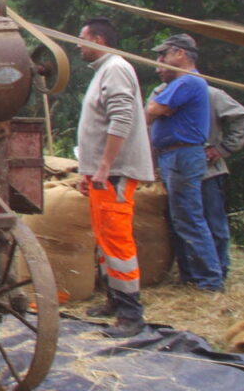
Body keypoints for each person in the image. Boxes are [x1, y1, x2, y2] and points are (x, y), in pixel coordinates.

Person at [74, 17, 155, 338]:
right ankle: (113, 299)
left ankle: (131, 315)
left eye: (82, 39)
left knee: (117, 240)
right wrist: (89, 170)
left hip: (115, 174)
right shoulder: (104, 72)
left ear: (99, 40)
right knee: (105, 237)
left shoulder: (116, 68)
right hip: (103, 174)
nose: (78, 45)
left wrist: (105, 166)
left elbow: (122, 118)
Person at [149, 66, 244, 282]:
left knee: (212, 224)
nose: (158, 67)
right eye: (157, 61)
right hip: (171, 169)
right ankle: (190, 276)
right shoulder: (158, 94)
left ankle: (217, 274)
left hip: (207, 171)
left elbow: (243, 120)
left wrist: (222, 149)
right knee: (180, 224)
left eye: (163, 60)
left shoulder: (208, 93)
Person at [146, 33, 220, 291]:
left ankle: (210, 281)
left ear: (180, 54)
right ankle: (192, 276)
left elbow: (151, 111)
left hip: (182, 156)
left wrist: (157, 108)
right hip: (175, 156)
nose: (160, 61)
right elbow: (157, 109)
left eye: (163, 55)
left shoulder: (187, 81)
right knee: (182, 217)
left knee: (189, 217)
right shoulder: (180, 84)